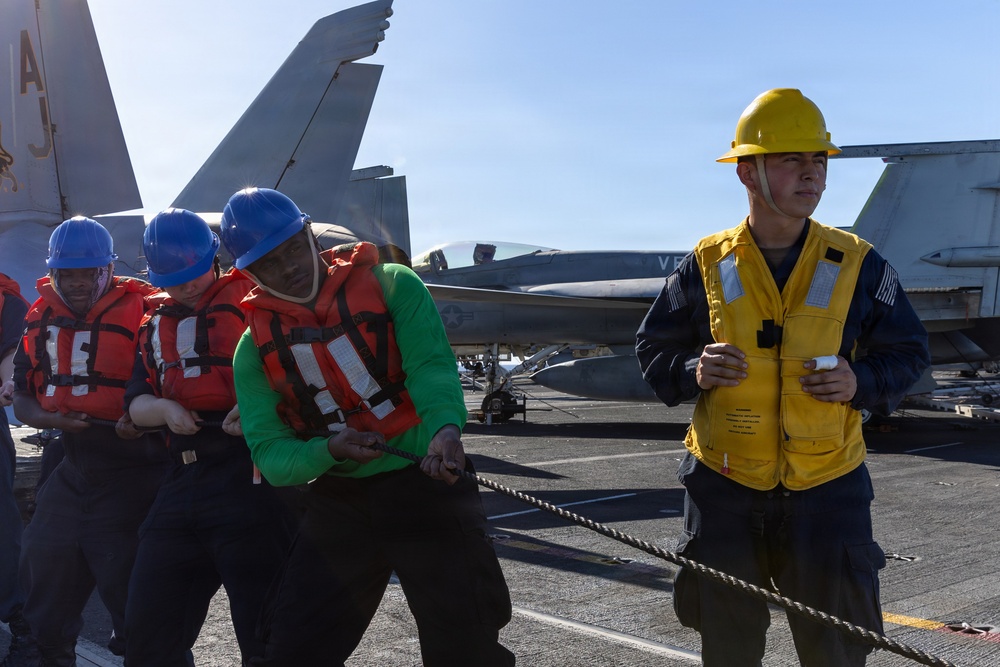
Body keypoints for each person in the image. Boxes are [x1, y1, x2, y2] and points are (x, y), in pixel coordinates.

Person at [635, 89, 930, 666]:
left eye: (818, 161)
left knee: (836, 651)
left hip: (828, 488)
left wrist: (860, 382)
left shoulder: (858, 262)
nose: (812, 174)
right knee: (729, 646)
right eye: (792, 159)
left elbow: (909, 351)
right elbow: (653, 348)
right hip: (724, 487)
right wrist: (694, 369)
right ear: (747, 171)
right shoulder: (706, 263)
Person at [219, 187, 514, 666]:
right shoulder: (252, 351)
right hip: (340, 501)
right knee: (290, 650)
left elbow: (431, 367)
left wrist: (445, 430)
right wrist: (330, 450)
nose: (290, 266)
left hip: (427, 479)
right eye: (270, 263)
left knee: (465, 647)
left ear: (310, 237)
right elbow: (271, 457)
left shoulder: (394, 283)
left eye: (295, 247)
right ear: (249, 274)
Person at [122, 209, 296, 666]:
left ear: (215, 260)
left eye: (196, 274)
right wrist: (162, 409)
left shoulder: (256, 301)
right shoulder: (153, 324)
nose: (188, 286)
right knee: (147, 636)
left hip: (253, 478)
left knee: (268, 638)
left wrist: (259, 407)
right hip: (181, 482)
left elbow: (301, 376)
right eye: (175, 280)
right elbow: (137, 403)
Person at [11, 216, 170, 665]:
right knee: (45, 589)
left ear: (108, 271)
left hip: (140, 472)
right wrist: (50, 418)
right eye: (68, 274)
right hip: (72, 466)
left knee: (141, 612)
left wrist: (143, 419)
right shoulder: (40, 318)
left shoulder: (147, 311)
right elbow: (23, 399)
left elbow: (179, 395)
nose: (77, 283)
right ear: (54, 273)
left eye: (88, 273)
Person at [0, 273, 30, 666]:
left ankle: (24, 620)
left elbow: (12, 352)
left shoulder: (7, 301)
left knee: (2, 529)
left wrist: (9, 380)